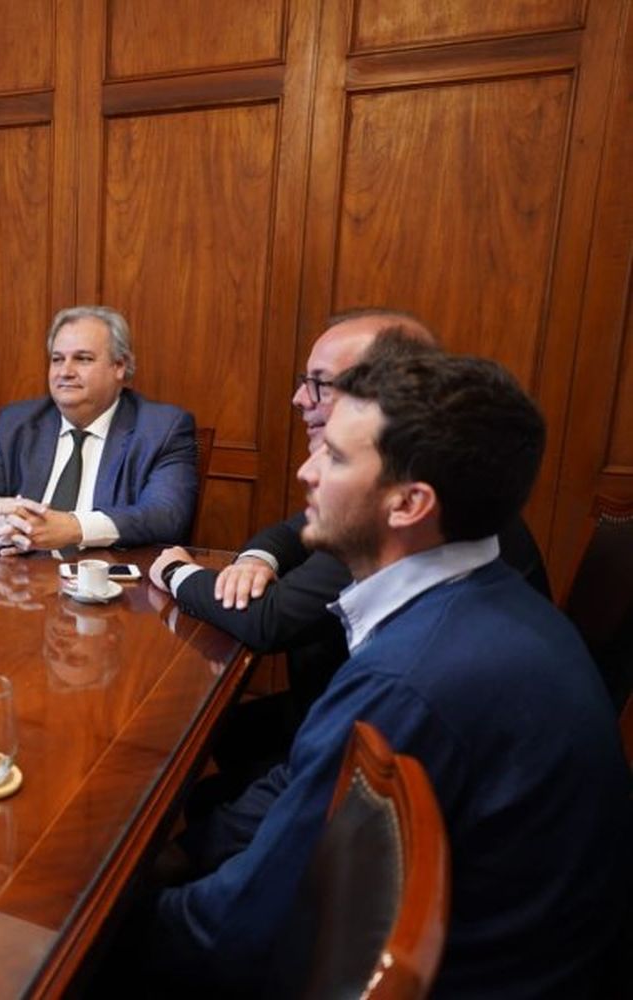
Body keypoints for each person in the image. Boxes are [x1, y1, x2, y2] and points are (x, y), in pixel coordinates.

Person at [141, 350, 631, 995]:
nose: (305, 470)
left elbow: (235, 935)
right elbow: (306, 785)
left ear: (408, 503)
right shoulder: (484, 599)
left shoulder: (414, 675)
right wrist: (192, 852)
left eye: (336, 457)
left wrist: (112, 918)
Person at [149, 312, 549, 728]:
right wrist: (257, 558)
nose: (299, 399)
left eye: (320, 382)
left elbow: (273, 622)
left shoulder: (411, 669)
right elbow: (295, 530)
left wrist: (176, 572)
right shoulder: (434, 518)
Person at [0, 305, 197, 553]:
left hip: (107, 581)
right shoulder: (17, 423)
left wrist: (74, 528)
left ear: (119, 366)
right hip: (21, 576)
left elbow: (167, 516)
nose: (65, 372)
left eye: (83, 359)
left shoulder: (162, 429)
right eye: (57, 359)